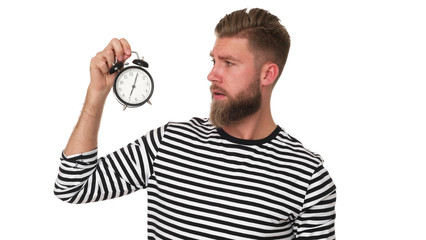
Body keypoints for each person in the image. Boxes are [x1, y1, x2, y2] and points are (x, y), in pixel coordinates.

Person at [54, 8, 336, 239]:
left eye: (228, 63)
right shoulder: (170, 141)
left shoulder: (307, 177)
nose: (212, 74)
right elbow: (72, 186)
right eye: (213, 61)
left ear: (267, 74)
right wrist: (97, 93)